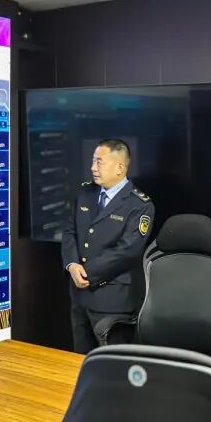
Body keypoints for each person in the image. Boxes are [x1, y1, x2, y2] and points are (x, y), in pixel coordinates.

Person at [60, 138, 154, 354]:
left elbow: (128, 250)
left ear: (120, 168)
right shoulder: (85, 194)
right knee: (80, 361)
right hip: (79, 297)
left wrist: (87, 273)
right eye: (93, 161)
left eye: (99, 162)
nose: (93, 168)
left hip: (113, 301)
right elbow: (69, 231)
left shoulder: (139, 205)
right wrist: (72, 265)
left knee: (113, 364)